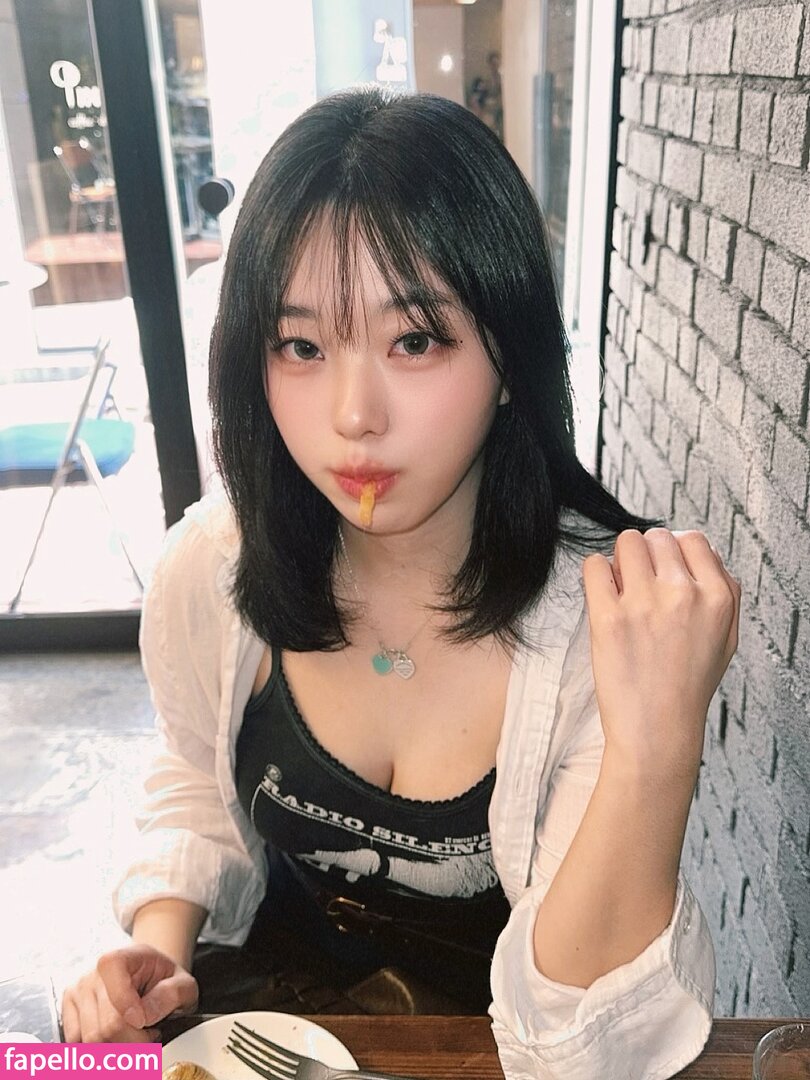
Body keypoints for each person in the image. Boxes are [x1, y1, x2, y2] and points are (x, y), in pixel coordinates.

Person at [62, 86, 740, 1078]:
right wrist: (158, 952)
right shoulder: (215, 567)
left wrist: (657, 749)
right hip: (262, 1039)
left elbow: (590, 1054)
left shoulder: (604, 627)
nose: (353, 416)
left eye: (413, 341)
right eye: (302, 346)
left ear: (509, 355)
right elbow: (192, 775)